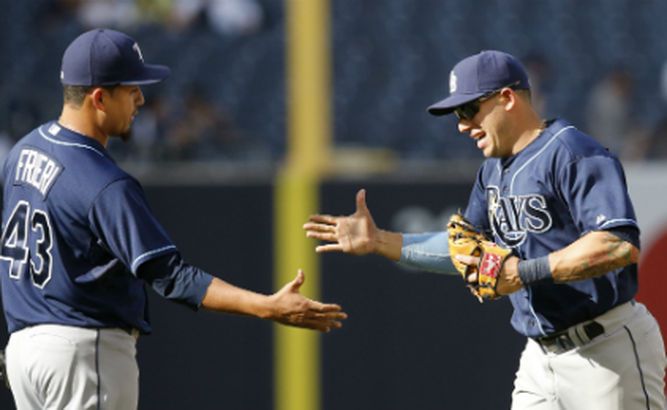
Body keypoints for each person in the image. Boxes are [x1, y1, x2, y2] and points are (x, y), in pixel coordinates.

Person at [0, 28, 346, 410]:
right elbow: (172, 276)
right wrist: (266, 306)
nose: (141, 99)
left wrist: (31, 347)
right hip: (81, 352)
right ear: (99, 97)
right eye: (132, 90)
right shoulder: (104, 183)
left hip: (24, 352)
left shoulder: (22, 151)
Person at [304, 50, 665, 409]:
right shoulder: (492, 170)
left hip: (606, 350)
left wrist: (523, 272)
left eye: (468, 110)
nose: (462, 125)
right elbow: (466, 249)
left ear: (507, 98)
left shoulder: (573, 152)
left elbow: (618, 246)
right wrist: (380, 240)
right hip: (540, 357)